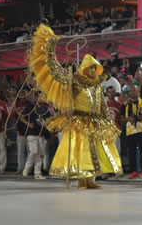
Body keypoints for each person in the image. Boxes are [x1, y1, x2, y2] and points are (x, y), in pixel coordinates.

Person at [28, 25, 122, 189]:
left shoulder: (97, 86)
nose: (93, 70)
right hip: (79, 121)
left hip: (95, 122)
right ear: (84, 68)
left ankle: (91, 180)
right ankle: (81, 180)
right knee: (82, 151)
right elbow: (57, 78)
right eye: (90, 67)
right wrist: (49, 50)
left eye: (95, 68)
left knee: (95, 151)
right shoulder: (75, 83)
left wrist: (107, 121)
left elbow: (102, 106)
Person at [17, 90, 51, 179]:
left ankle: (37, 173)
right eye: (41, 96)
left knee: (39, 154)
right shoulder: (31, 107)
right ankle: (27, 167)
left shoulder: (45, 109)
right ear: (36, 97)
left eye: (44, 96)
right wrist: (28, 124)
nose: (43, 98)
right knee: (34, 151)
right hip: (32, 133)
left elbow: (50, 120)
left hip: (41, 134)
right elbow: (21, 117)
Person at [122, 85, 142, 179]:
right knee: (131, 152)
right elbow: (121, 118)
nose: (133, 92)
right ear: (129, 93)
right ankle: (133, 170)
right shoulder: (125, 104)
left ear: (138, 91)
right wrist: (129, 119)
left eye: (134, 90)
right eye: (131, 90)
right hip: (131, 131)